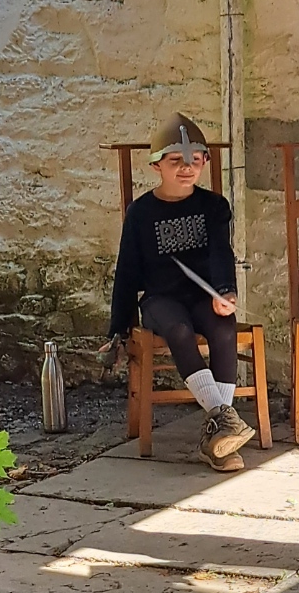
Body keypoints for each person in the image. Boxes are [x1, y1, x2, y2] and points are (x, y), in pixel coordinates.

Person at [106, 114, 254, 472]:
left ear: (204, 162)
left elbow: (220, 251)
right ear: (157, 166)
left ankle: (218, 442)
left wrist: (225, 292)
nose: (187, 168)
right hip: (161, 300)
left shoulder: (214, 207)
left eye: (195, 160)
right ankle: (224, 422)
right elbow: (127, 270)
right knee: (179, 330)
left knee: (224, 327)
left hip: (202, 296)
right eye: (176, 161)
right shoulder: (141, 213)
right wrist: (118, 329)